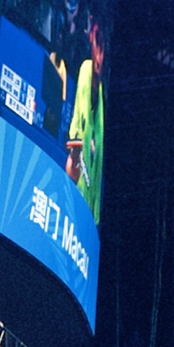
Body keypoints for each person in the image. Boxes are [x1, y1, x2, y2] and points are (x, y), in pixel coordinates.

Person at [65, 15, 106, 220]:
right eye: (97, 43)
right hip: (76, 205)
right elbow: (74, 160)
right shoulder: (86, 71)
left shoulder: (104, 101)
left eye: (104, 48)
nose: (99, 56)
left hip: (89, 217)